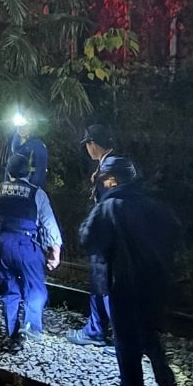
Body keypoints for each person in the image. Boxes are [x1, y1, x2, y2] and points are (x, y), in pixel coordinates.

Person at [79, 156, 183, 386]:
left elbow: (88, 240)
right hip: (153, 282)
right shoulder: (154, 206)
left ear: (112, 180)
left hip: (122, 283)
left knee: (126, 342)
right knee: (149, 334)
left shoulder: (108, 207)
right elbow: (175, 233)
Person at [0, 153, 62, 347]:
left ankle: (11, 331)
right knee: (35, 288)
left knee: (10, 288)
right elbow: (49, 224)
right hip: (26, 245)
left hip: (2, 245)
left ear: (9, 172)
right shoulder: (37, 193)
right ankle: (31, 330)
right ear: (28, 173)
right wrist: (55, 252)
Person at [66, 124, 116, 348]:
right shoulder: (111, 165)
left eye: (87, 144)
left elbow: (110, 200)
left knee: (103, 286)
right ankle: (97, 330)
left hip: (107, 239)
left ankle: (113, 336)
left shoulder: (109, 170)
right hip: (110, 238)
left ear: (92, 144)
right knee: (101, 285)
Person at [4, 113, 48, 188]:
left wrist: (32, 189)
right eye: (20, 126)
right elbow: (9, 167)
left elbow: (40, 170)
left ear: (32, 127)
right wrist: (6, 185)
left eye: (25, 126)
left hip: (29, 185)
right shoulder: (13, 144)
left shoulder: (38, 145)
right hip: (12, 186)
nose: (22, 128)